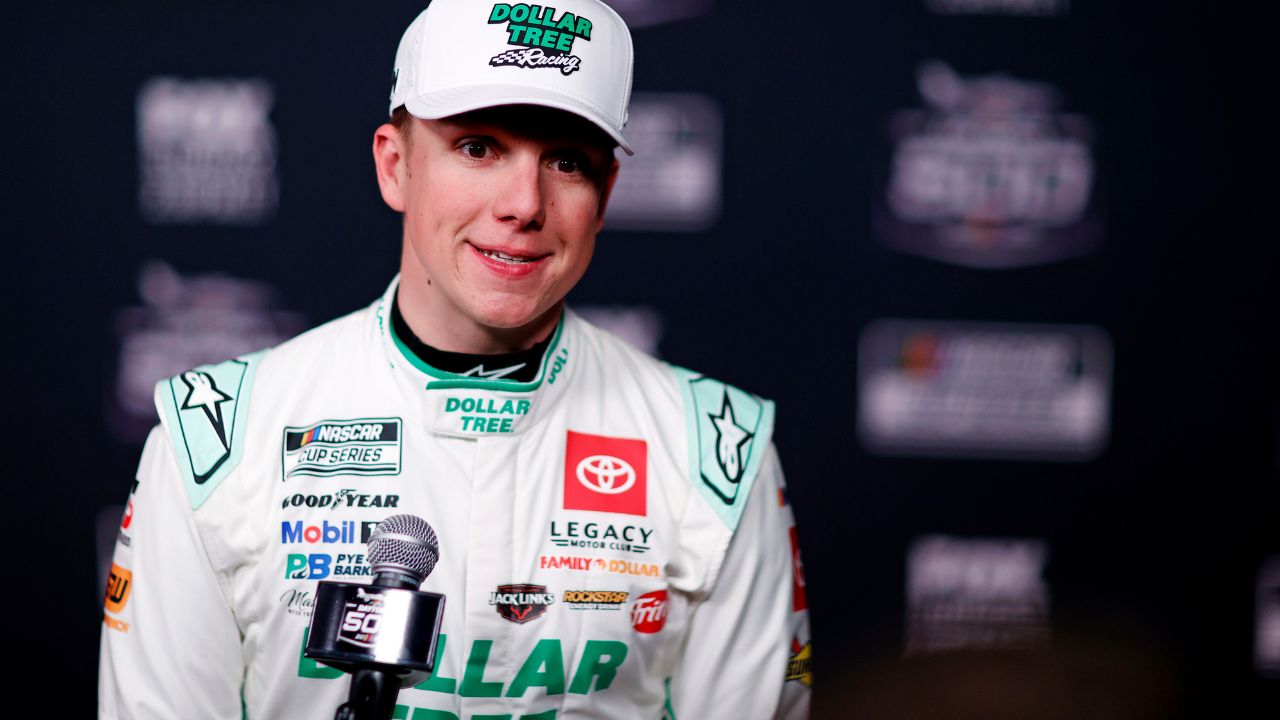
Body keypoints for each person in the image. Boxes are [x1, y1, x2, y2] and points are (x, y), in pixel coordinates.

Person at [99, 0, 811, 717]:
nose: (524, 204)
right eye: (479, 147)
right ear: (395, 166)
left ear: (604, 198)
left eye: (567, 161)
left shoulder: (718, 452)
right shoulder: (216, 440)